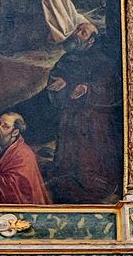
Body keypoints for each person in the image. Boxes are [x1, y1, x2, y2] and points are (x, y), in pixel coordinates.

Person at [46, 21, 120, 203]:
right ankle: (65, 179)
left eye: (84, 32)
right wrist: (61, 84)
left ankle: (92, 185)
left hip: (93, 119)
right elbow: (56, 77)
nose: (78, 33)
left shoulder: (103, 61)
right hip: (70, 117)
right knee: (68, 155)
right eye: (78, 29)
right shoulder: (67, 59)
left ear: (91, 41)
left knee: (89, 159)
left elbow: (112, 88)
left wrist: (88, 89)